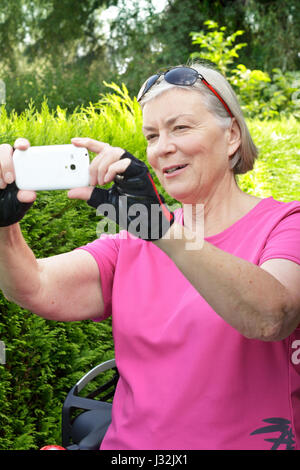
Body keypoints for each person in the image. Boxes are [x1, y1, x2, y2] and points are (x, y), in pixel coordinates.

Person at [0, 62, 299, 450]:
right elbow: (35, 287)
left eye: (181, 127)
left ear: (232, 137)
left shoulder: (285, 223)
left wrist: (163, 232)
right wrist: (5, 228)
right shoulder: (133, 239)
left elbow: (271, 317)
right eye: (152, 135)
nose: (162, 147)